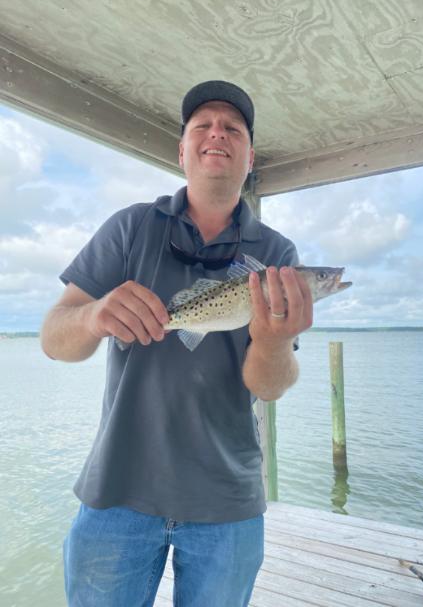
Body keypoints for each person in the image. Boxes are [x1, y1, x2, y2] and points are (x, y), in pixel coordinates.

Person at [40, 80, 313, 607]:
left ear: (250, 157)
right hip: (117, 489)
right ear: (182, 151)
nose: (217, 134)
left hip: (227, 502)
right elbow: (54, 340)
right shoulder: (129, 227)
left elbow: (268, 387)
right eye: (202, 126)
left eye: (233, 128)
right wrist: (94, 315)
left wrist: (275, 343)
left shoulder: (278, 254)